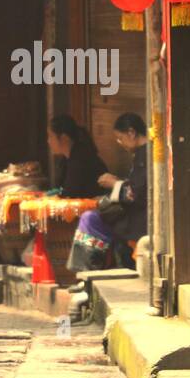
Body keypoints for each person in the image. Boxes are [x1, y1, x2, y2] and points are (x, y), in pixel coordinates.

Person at [67, 112, 149, 272]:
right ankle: (86, 273)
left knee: (90, 219)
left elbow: (135, 194)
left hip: (138, 221)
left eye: (120, 138)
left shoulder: (145, 155)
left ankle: (85, 272)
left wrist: (114, 183)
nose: (119, 143)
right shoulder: (141, 154)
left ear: (131, 133)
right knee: (91, 217)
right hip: (133, 216)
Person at [46, 114, 109, 198]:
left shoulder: (80, 158)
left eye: (50, 136)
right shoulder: (67, 158)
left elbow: (70, 194)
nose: (48, 141)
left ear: (64, 138)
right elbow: (60, 189)